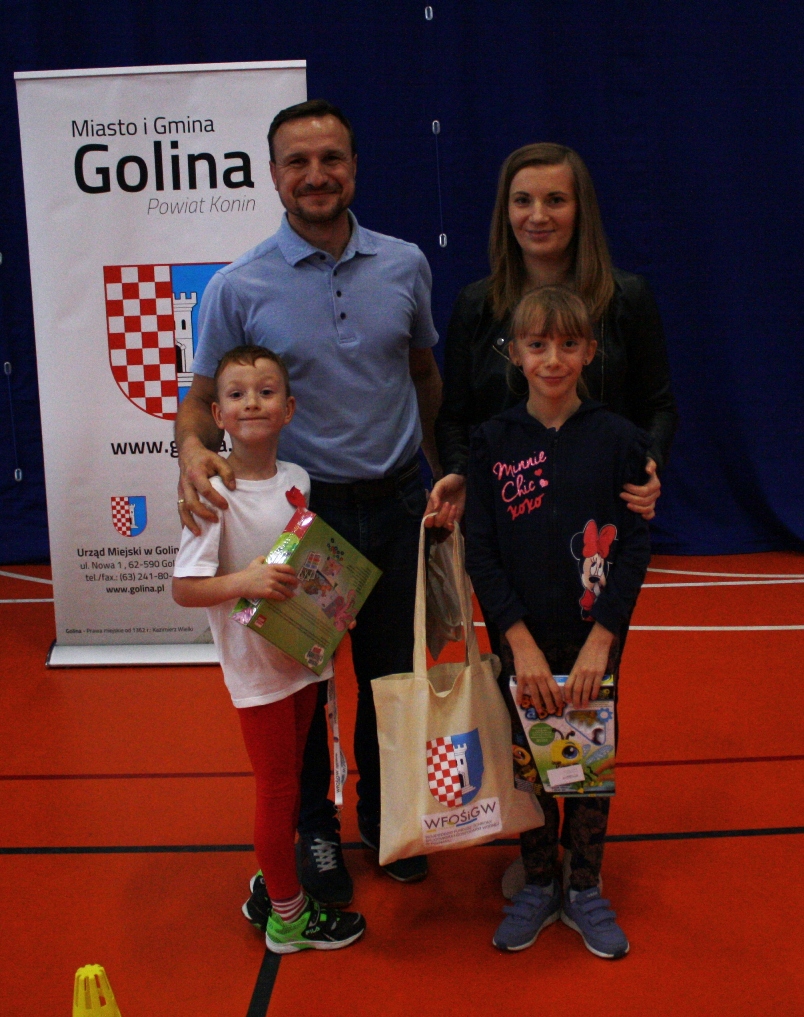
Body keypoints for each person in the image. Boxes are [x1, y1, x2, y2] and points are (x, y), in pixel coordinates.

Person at [174, 100, 441, 910]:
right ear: (273, 174)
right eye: (298, 161)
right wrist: (190, 452)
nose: (316, 174)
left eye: (331, 158)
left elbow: (424, 374)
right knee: (305, 689)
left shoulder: (405, 264)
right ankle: (315, 829)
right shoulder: (238, 284)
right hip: (305, 520)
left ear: (354, 167)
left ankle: (388, 816)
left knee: (393, 677)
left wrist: (443, 471)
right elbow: (200, 400)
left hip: (397, 505)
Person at [465, 286, 651, 959]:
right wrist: (517, 642)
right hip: (524, 643)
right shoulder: (492, 442)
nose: (553, 359)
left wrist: (604, 637)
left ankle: (585, 884)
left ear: (590, 351)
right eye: (537, 345)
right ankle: (540, 880)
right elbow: (481, 551)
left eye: (568, 344)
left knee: (588, 761)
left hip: (593, 640)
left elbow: (635, 545)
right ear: (515, 353)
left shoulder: (619, 439)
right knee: (530, 762)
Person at [172, 346, 365, 953]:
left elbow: (305, 566)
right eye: (236, 394)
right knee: (277, 791)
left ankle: (274, 884)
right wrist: (247, 581)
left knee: (294, 786)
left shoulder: (298, 480)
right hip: (256, 673)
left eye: (265, 392)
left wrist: (334, 608)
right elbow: (184, 588)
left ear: (289, 408)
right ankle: (287, 916)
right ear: (217, 415)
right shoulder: (212, 492)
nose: (251, 403)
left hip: (301, 660)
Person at [428, 142, 677, 532]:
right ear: (506, 210)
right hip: (504, 521)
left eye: (556, 200)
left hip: (603, 517)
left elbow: (658, 407)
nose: (538, 216)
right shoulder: (476, 305)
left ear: (581, 210)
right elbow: (454, 418)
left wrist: (647, 464)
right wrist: (459, 470)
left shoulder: (627, 298)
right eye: (522, 201)